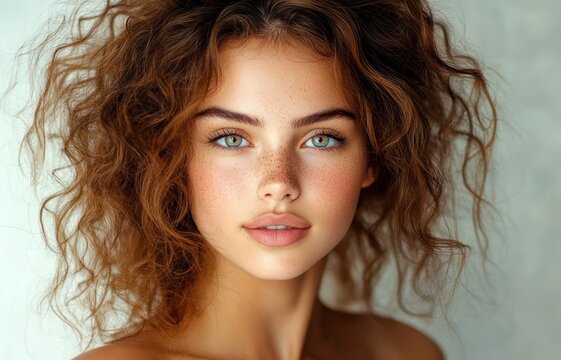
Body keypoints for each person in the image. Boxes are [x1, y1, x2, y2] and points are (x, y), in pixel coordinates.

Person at [21, 0, 497, 358]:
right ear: (172, 159)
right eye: (231, 138)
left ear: (374, 157)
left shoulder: (407, 353)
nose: (278, 183)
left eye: (322, 138)